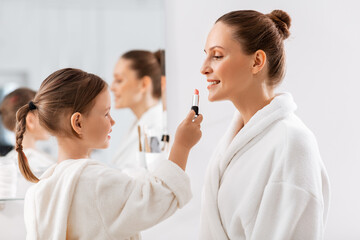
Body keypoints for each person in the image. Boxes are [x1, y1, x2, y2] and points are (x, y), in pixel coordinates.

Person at [17, 68, 202, 239]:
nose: (112, 122)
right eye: (106, 114)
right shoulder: (96, 181)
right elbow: (158, 198)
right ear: (78, 123)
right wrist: (182, 145)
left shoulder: (39, 191)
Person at [199, 10, 330, 239]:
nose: (204, 68)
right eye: (206, 55)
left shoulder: (292, 143)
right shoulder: (233, 142)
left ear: (257, 61)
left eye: (217, 56)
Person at [110, 50, 165, 170]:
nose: (112, 87)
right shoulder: (140, 124)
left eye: (119, 80)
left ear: (144, 84)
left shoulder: (155, 129)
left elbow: (153, 178)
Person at [0, 88, 53, 198]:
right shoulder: (46, 166)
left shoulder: (5, 165)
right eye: (45, 113)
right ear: (31, 121)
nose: (50, 120)